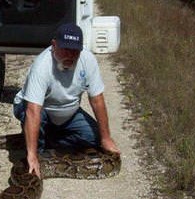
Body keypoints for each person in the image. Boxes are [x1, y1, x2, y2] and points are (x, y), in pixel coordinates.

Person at [13, 23, 120, 178]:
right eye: (65, 49)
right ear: (54, 45)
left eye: (75, 51)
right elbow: (33, 110)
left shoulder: (87, 60)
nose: (70, 55)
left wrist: (106, 138)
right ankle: (38, 151)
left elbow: (97, 100)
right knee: (38, 116)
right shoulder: (42, 66)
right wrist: (32, 154)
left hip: (69, 112)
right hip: (39, 108)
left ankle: (46, 136)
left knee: (94, 139)